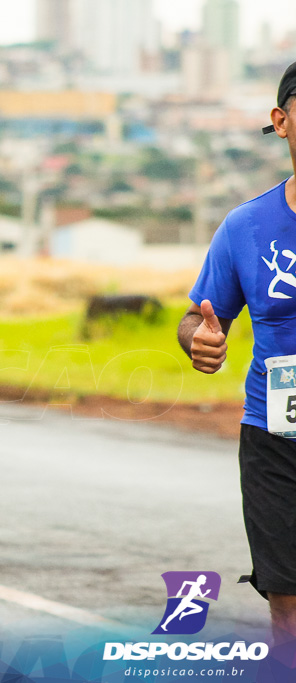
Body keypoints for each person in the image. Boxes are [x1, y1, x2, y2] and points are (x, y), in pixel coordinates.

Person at [179, 59, 296, 646]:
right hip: (276, 442)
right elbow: (199, 316)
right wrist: (199, 341)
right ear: (282, 121)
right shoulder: (247, 226)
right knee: (288, 605)